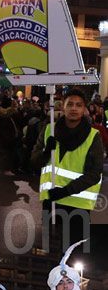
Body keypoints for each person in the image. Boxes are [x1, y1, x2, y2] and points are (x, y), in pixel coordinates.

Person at [30, 88, 104, 243]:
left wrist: (65, 191)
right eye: (70, 104)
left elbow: (94, 173)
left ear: (84, 109)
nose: (74, 108)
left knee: (74, 253)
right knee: (50, 249)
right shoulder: (49, 130)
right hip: (52, 203)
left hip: (78, 206)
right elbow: (34, 163)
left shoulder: (93, 137)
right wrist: (45, 153)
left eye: (78, 105)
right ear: (63, 107)